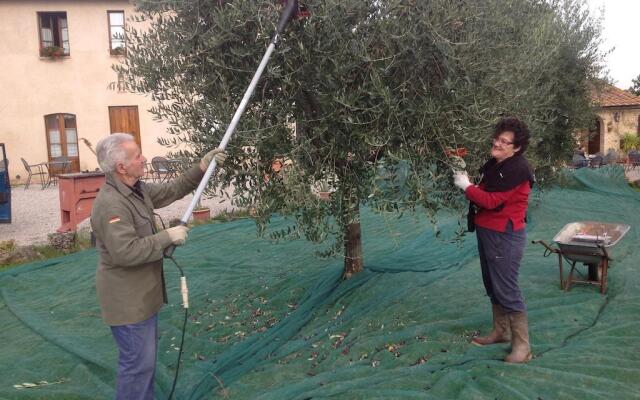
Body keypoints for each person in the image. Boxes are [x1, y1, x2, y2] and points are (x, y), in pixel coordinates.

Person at [91, 133, 226, 399]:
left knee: (143, 365)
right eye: (137, 155)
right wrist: (167, 236)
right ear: (121, 167)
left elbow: (172, 189)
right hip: (128, 303)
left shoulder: (136, 190)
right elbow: (125, 252)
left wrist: (201, 167)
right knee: (137, 368)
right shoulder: (111, 204)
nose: (143, 159)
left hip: (143, 297)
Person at [453, 117, 535, 364]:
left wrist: (466, 186)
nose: (497, 144)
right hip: (488, 231)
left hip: (504, 235)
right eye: (497, 138)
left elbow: (490, 201)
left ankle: (522, 347)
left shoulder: (517, 169)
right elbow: (486, 191)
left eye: (504, 142)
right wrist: (468, 179)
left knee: (507, 288)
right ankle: (501, 331)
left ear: (516, 148)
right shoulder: (496, 165)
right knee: (493, 284)